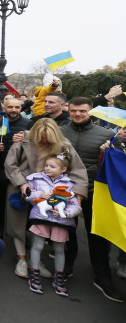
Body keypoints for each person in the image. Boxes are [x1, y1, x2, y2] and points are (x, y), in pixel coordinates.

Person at [4, 118, 87, 280]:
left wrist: (78, 196)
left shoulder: (64, 147)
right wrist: (21, 183)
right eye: (40, 136)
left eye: (47, 137)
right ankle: (21, 258)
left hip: (51, 192)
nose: (43, 140)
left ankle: (35, 260)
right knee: (17, 223)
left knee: (41, 224)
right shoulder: (23, 141)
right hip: (22, 187)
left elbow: (77, 170)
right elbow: (10, 165)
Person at [60, 97, 121, 301]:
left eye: (82, 111)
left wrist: (112, 149)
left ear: (90, 112)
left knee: (97, 235)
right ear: (68, 110)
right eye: (74, 110)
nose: (78, 114)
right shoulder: (59, 131)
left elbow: (114, 163)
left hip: (94, 192)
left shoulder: (107, 134)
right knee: (66, 232)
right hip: (65, 191)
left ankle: (102, 276)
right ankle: (65, 267)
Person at [24, 153, 80, 297]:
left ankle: (59, 279)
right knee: (37, 246)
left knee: (59, 249)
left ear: (63, 169)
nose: (47, 168)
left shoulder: (70, 184)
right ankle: (35, 275)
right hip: (40, 218)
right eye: (46, 165)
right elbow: (28, 196)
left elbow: (75, 205)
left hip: (61, 221)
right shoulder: (36, 178)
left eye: (52, 166)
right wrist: (39, 195)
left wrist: (66, 213)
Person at [0, 97, 29, 238]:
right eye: (10, 107)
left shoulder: (28, 123)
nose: (14, 110)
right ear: (4, 108)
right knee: (1, 201)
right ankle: (0, 227)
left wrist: (25, 139)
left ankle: (22, 233)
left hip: (21, 170)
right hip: (1, 169)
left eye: (17, 107)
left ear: (21, 109)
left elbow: (36, 144)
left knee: (21, 202)